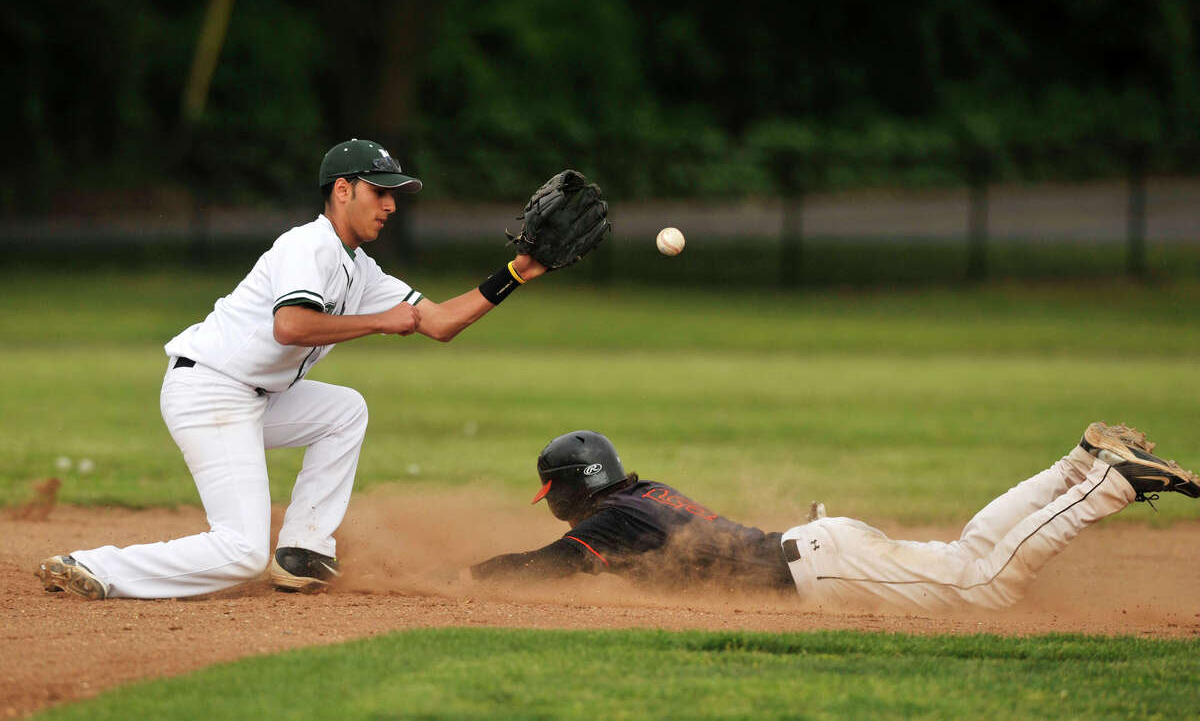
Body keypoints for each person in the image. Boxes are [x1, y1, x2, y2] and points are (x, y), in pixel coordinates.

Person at [37, 138, 560, 600]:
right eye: (379, 191)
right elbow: (289, 325)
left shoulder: (358, 267)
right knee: (240, 553)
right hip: (210, 390)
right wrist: (379, 322)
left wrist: (518, 272)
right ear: (341, 190)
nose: (391, 204)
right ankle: (96, 566)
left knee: (342, 410)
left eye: (393, 193)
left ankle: (303, 552)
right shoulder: (305, 245)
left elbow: (441, 321)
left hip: (253, 395)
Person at [466, 423, 1199, 612]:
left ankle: (1106, 481)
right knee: (970, 553)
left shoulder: (611, 522)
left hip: (818, 566)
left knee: (986, 587)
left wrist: (459, 576)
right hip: (819, 550)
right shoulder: (642, 491)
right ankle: (1075, 463)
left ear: (563, 491)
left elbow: (549, 565)